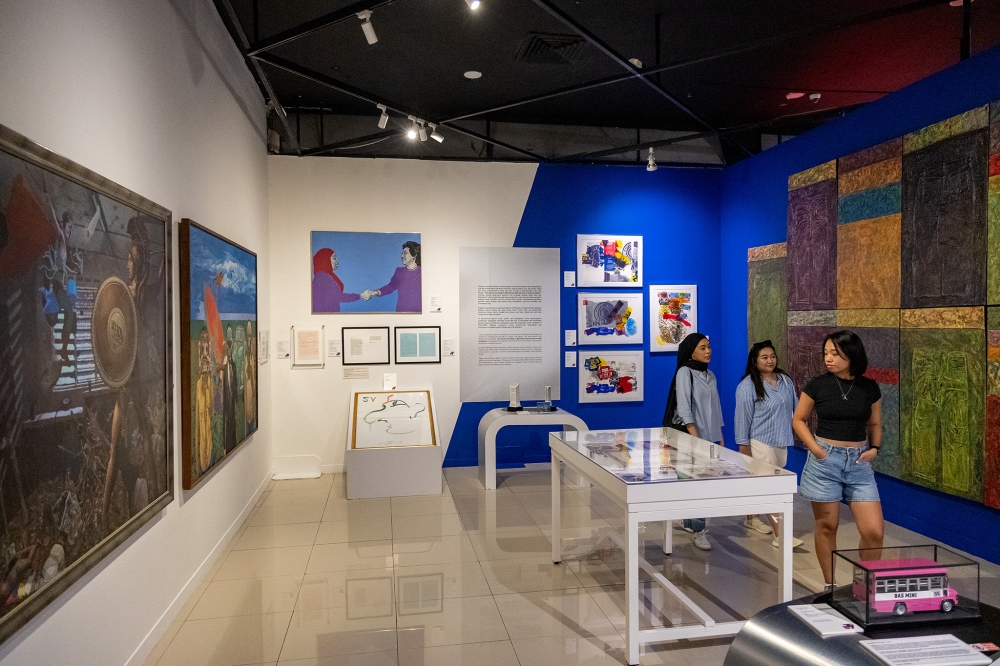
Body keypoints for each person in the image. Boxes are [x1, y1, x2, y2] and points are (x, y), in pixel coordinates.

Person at [792, 330, 883, 591]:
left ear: (851, 355)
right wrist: (816, 450)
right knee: (827, 526)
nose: (828, 359)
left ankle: (863, 586)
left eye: (835, 353)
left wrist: (874, 447)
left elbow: (875, 422)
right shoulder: (817, 385)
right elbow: (799, 420)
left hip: (859, 463)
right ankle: (830, 585)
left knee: (873, 531)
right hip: (824, 461)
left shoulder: (869, 387)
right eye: (826, 354)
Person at [734, 340, 804, 548]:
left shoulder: (784, 380)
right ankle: (779, 535)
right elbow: (742, 418)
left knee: (759, 484)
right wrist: (743, 446)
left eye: (772, 356)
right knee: (770, 488)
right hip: (759, 442)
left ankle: (751, 518)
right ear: (755, 361)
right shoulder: (747, 386)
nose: (770, 360)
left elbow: (796, 406)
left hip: (781, 441)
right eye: (764, 357)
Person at [663, 333, 723, 551]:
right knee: (694, 482)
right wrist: (695, 437)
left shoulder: (710, 375)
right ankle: (699, 530)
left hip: (708, 436)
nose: (708, 351)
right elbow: (685, 408)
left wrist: (720, 436)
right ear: (691, 351)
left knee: (699, 482)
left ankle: (691, 523)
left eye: (709, 347)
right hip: (688, 437)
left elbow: (715, 407)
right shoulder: (685, 372)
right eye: (703, 348)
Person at [362, 241, 421, 312]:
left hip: (419, 314)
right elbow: (390, 287)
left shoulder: (423, 272)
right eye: (402, 253)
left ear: (414, 256)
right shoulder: (399, 271)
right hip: (401, 313)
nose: (402, 256)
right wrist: (374, 293)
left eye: (405, 253)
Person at [312, 248, 360, 312]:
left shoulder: (325, 276)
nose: (337, 260)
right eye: (334, 258)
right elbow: (338, 296)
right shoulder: (322, 277)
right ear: (325, 259)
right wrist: (360, 296)